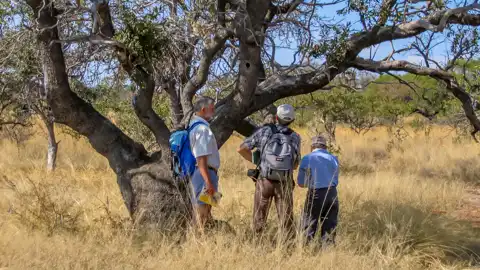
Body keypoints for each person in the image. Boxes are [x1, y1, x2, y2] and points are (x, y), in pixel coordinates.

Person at [237, 104, 301, 237]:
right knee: (286, 219)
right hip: (284, 181)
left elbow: (241, 148)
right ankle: (286, 247)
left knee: (259, 216)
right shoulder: (295, 137)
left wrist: (257, 162)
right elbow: (295, 165)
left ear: (276, 117)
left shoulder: (265, 131)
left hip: (264, 180)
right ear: (292, 120)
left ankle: (257, 244)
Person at [297, 135, 339, 245]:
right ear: (325, 147)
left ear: (312, 147)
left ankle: (307, 248)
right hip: (332, 192)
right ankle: (328, 250)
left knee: (309, 221)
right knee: (330, 224)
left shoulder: (307, 158)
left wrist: (310, 182)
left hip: (316, 192)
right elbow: (335, 178)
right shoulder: (333, 158)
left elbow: (301, 183)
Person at [189, 97, 220, 229]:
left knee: (207, 209)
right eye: (212, 109)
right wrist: (208, 182)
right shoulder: (202, 129)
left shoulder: (196, 126)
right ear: (203, 109)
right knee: (202, 211)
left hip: (206, 173)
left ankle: (207, 239)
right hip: (205, 173)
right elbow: (201, 158)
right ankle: (199, 241)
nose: (214, 111)